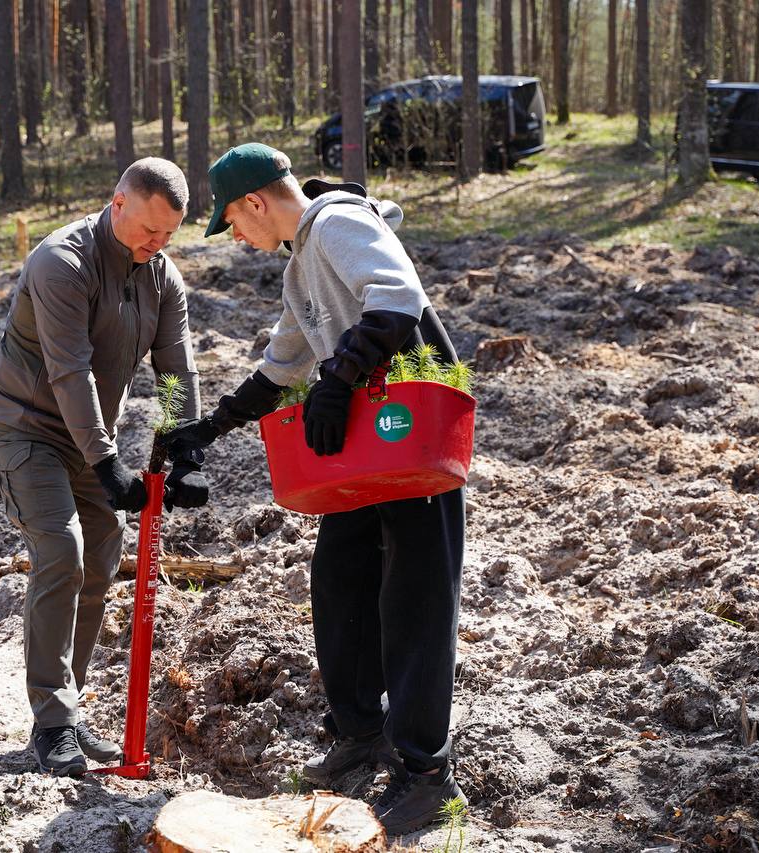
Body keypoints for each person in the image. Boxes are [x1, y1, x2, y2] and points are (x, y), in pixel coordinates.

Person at [162, 143, 467, 836]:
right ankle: (362, 732)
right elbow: (284, 361)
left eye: (234, 222)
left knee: (416, 596)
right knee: (340, 579)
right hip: (369, 444)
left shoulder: (335, 222)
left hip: (413, 430)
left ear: (258, 202)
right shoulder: (301, 262)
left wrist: (340, 379)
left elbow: (397, 297)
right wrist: (211, 426)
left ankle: (427, 775)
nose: (237, 237)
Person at [0, 158, 209, 777]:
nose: (156, 246)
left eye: (168, 236)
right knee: (62, 546)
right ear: (118, 203)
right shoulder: (62, 262)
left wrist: (183, 448)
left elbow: (175, 370)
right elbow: (69, 371)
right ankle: (52, 722)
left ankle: (68, 712)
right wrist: (108, 466)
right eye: (147, 231)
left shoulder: (162, 278)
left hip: (87, 434)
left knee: (103, 549)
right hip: (25, 426)